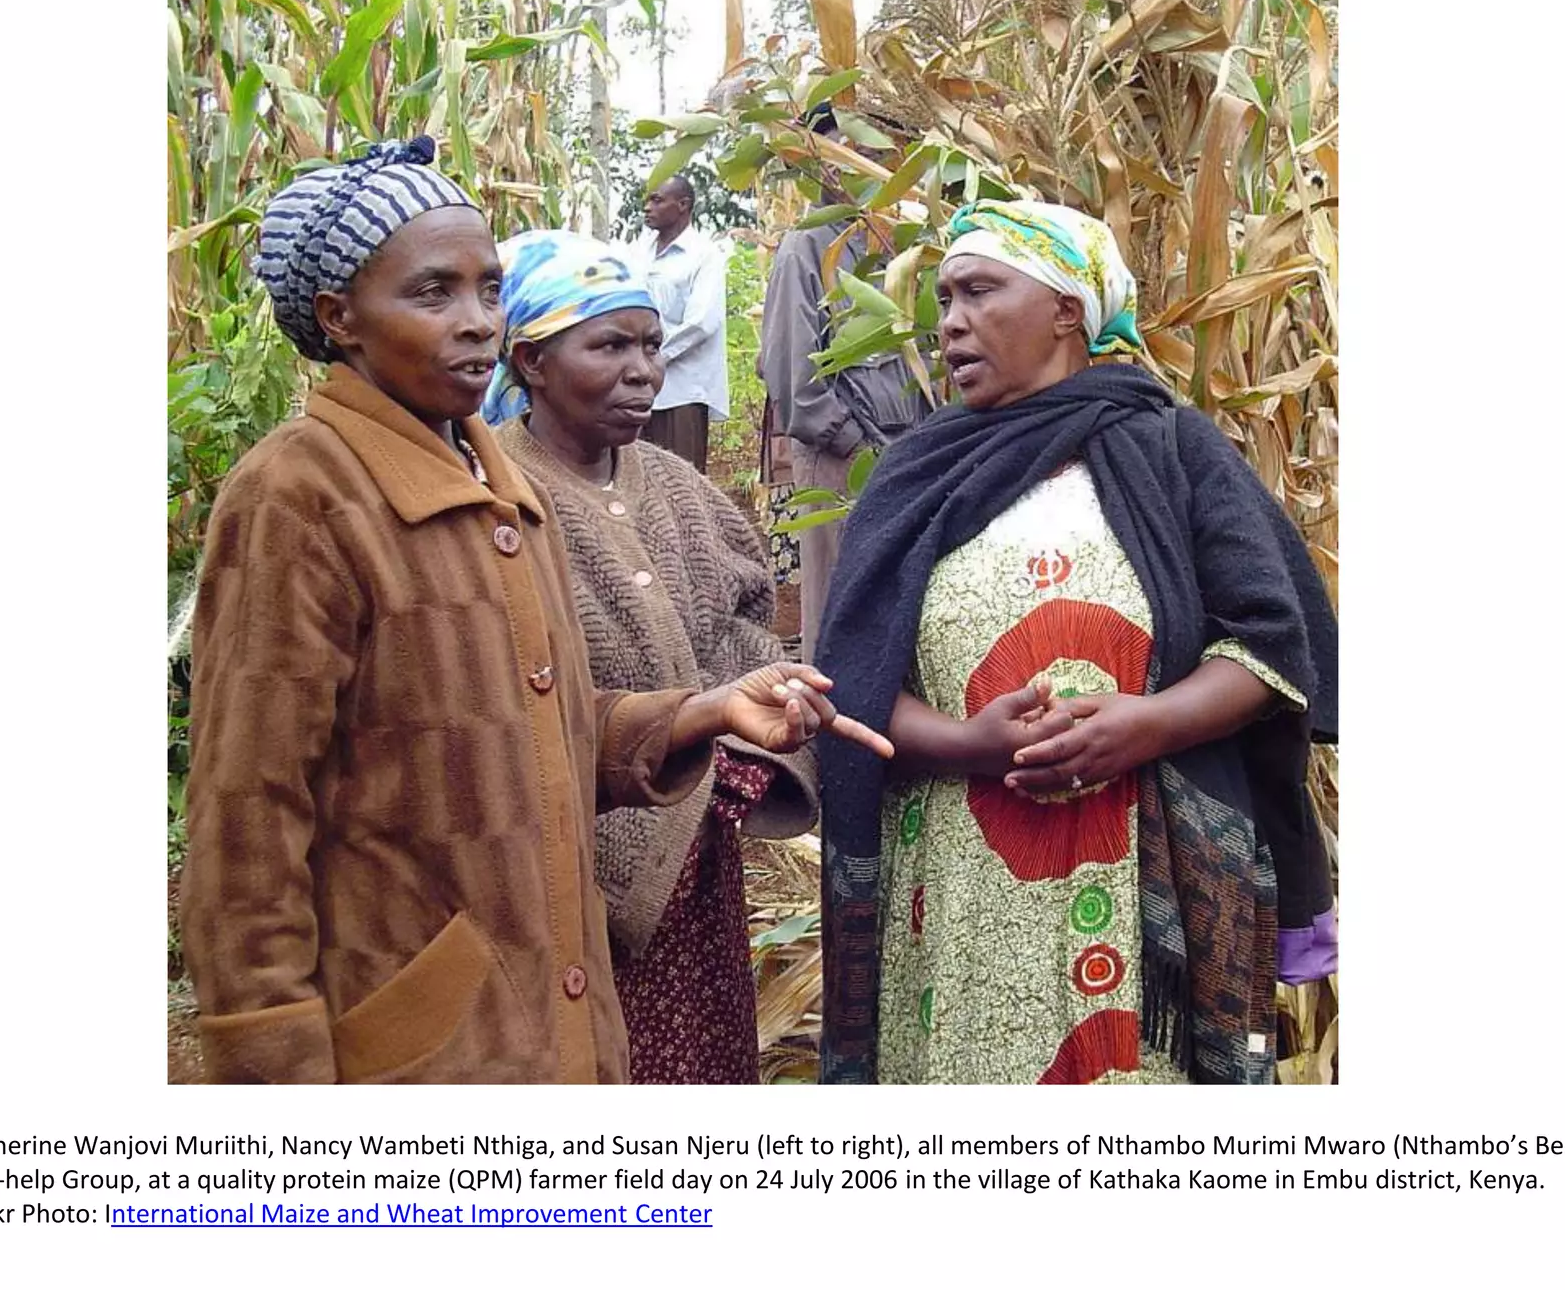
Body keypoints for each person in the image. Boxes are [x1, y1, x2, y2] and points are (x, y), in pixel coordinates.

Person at [179, 138, 885, 1085]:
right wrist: (274, 1071)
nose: (474, 322)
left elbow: (538, 729)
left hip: (548, 1006)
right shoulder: (301, 495)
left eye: (487, 289)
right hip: (417, 1035)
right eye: (432, 294)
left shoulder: (501, 482)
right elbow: (250, 817)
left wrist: (703, 713)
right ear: (337, 317)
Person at [812, 199, 1338, 1086]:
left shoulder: (1172, 450)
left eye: (980, 291)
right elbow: (850, 677)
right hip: (954, 884)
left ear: (1069, 309)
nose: (952, 323)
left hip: (1139, 888)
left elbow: (1274, 646)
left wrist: (1151, 724)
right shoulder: (919, 472)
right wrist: (967, 743)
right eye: (943, 300)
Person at [482, 230, 819, 1083]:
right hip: (565, 870)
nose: (643, 370)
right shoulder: (494, 499)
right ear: (529, 360)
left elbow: (744, 619)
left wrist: (749, 722)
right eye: (610, 345)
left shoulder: (676, 487)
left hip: (695, 854)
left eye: (652, 346)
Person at [757, 135, 926, 661]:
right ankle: (828, 730)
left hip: (909, 452)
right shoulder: (805, 248)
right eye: (849, 151)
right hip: (842, 458)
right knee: (838, 603)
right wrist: (854, 444)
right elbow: (791, 375)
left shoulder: (892, 245)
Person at [626, 174, 726, 471]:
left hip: (682, 391)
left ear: (683, 205)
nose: (647, 207)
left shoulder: (703, 256)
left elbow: (701, 323)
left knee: (682, 482)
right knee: (639, 475)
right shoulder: (639, 254)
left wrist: (654, 357)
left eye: (657, 200)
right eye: (647, 200)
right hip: (639, 389)